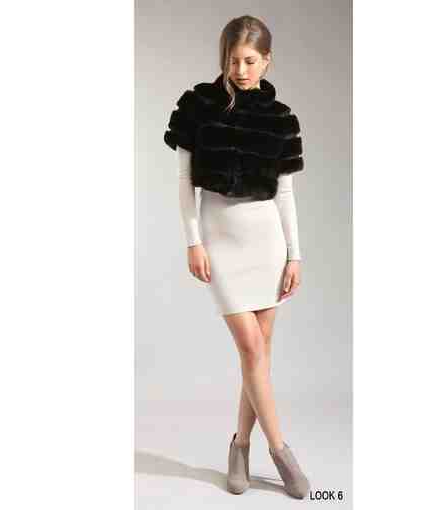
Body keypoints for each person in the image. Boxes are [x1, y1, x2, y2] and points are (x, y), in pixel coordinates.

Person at [163, 15, 310, 499]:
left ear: (267, 60)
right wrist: (193, 241)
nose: (240, 70)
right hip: (221, 240)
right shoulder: (198, 106)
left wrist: (294, 255)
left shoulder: (281, 118)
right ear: (223, 60)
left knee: (257, 356)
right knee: (252, 350)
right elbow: (184, 182)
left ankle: (240, 446)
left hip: (267, 242)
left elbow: (284, 194)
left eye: (249, 61)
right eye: (232, 61)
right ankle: (281, 450)